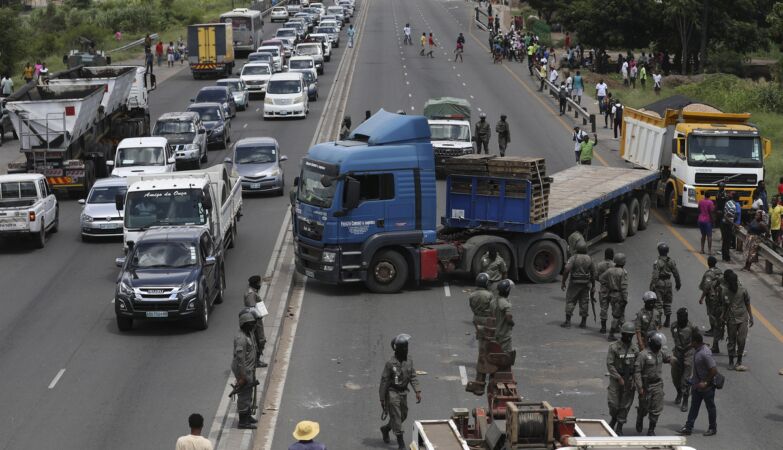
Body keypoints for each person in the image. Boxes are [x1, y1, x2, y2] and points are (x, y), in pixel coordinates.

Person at [379, 334, 422, 450]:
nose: (406, 350)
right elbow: (384, 381)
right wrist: (382, 398)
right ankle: (401, 443)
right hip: (392, 392)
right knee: (397, 417)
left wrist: (417, 391)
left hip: (403, 392)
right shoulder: (390, 364)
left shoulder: (409, 360)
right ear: (397, 349)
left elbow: (413, 376)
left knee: (403, 415)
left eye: (407, 347)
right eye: (404, 348)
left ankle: (386, 428)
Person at [678, 331, 718, 437]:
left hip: (707, 387)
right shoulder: (697, 350)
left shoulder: (705, 353)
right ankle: (688, 427)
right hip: (697, 386)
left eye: (692, 342)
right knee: (694, 407)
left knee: (710, 407)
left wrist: (705, 382)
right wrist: (693, 379)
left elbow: (713, 370)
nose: (690, 344)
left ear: (696, 342)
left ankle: (712, 428)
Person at [634, 331, 673, 436]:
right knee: (644, 408)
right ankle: (640, 417)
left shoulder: (660, 352)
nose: (659, 345)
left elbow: (667, 358)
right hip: (646, 386)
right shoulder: (643, 355)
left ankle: (651, 429)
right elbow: (637, 372)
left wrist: (672, 360)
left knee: (656, 408)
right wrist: (640, 388)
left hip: (657, 385)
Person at [606, 322, 639, 435]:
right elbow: (610, 364)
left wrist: (635, 379)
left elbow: (637, 366)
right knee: (613, 404)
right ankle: (614, 418)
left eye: (631, 335)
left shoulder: (635, 349)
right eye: (627, 335)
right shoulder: (614, 347)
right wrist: (618, 377)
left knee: (625, 405)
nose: (629, 337)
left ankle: (619, 426)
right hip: (616, 379)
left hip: (629, 379)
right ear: (622, 334)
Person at [467, 273, 495, 395]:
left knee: (482, 346)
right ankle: (487, 377)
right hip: (487, 321)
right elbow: (493, 308)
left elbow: (472, 307)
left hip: (477, 320)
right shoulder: (489, 295)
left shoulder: (472, 295)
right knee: (489, 349)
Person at [720, 269, 753, 371]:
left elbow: (747, 303)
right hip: (731, 319)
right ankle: (731, 361)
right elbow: (724, 305)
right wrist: (722, 316)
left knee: (741, 340)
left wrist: (751, 317)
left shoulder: (743, 290)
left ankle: (739, 360)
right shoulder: (725, 291)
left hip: (743, 318)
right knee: (731, 340)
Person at [232, 311, 258, 429]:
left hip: (249, 368)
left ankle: (247, 416)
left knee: (249, 393)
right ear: (244, 324)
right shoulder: (241, 338)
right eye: (251, 323)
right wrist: (242, 377)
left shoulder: (249, 333)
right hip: (243, 370)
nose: (253, 325)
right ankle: (243, 421)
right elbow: (240, 360)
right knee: (244, 395)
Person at [560, 241, 596, 329]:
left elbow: (567, 269)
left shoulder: (574, 258)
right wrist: (593, 285)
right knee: (584, 302)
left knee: (570, 300)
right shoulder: (589, 259)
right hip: (585, 284)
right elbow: (593, 273)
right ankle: (583, 322)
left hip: (574, 283)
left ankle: (568, 321)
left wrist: (563, 281)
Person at [670, 307, 697, 412]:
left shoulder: (692, 327)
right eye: (679, 317)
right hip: (677, 353)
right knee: (675, 378)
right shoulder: (673, 326)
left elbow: (696, 340)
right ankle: (679, 393)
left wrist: (687, 348)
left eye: (683, 317)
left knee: (685, 380)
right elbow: (675, 338)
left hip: (688, 353)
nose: (681, 319)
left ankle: (685, 400)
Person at [649, 242, 681, 327]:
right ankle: (667, 320)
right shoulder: (671, 261)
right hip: (668, 282)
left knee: (658, 303)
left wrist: (652, 285)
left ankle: (658, 322)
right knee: (667, 302)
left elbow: (655, 275)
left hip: (659, 283)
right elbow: (676, 273)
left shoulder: (658, 262)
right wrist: (678, 283)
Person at [601, 252, 629, 341]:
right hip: (619, 296)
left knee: (617, 314)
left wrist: (609, 285)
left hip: (612, 294)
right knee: (617, 316)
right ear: (623, 262)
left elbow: (602, 278)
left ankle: (622, 332)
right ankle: (611, 334)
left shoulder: (610, 270)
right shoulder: (623, 272)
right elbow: (624, 287)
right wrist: (625, 299)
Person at [698, 256, 723, 349]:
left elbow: (707, 286)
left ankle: (713, 330)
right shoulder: (719, 271)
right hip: (719, 295)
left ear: (708, 263)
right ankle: (716, 329)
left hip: (712, 297)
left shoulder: (709, 274)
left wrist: (702, 298)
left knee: (711, 314)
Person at [244, 275, 268, 368]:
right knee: (260, 340)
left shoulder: (252, 291)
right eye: (259, 283)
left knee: (258, 340)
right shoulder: (251, 294)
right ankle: (256, 361)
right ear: (255, 284)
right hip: (254, 321)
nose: (260, 284)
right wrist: (259, 315)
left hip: (255, 319)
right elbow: (252, 308)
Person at [489, 280, 514, 352]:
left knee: (496, 351)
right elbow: (508, 317)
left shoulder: (493, 301)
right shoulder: (506, 304)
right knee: (506, 353)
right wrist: (512, 323)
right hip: (504, 333)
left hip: (495, 331)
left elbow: (491, 315)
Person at [595, 248, 615, 335]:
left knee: (603, 308)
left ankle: (603, 327)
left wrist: (602, 281)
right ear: (613, 256)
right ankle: (615, 327)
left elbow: (596, 276)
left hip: (603, 289)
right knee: (615, 308)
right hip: (613, 290)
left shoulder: (599, 265)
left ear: (605, 255)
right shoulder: (615, 265)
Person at [720, 192, 738, 262]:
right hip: (727, 224)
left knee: (725, 241)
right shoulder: (733, 206)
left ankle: (724, 257)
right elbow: (727, 216)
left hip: (723, 223)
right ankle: (727, 258)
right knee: (727, 242)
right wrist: (734, 224)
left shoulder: (728, 202)